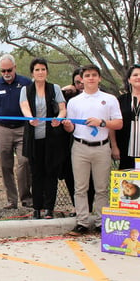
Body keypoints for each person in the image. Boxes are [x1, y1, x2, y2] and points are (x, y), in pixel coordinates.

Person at [62, 64, 122, 236]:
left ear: (99, 78)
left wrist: (102, 123)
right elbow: (71, 128)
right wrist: (67, 125)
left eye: (94, 75)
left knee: (102, 188)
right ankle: (82, 222)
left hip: (102, 147)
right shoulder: (74, 102)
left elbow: (118, 123)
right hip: (80, 146)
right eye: (87, 75)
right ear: (81, 79)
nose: (90, 78)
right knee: (80, 187)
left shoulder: (109, 99)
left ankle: (100, 222)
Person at [20, 58, 67, 219]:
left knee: (50, 173)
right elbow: (24, 107)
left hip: (51, 139)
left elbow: (62, 108)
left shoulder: (55, 88)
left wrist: (59, 119)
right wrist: (30, 118)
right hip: (34, 139)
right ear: (32, 73)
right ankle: (37, 208)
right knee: (36, 173)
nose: (40, 72)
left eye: (43, 69)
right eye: (37, 70)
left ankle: (49, 208)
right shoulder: (26, 89)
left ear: (47, 71)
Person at [0, 53, 32, 209]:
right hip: (2, 129)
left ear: (15, 68)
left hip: (23, 129)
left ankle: (26, 198)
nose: (6, 74)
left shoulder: (26, 83)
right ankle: (12, 200)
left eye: (9, 70)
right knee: (5, 165)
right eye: (3, 71)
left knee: (24, 162)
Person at [60, 68, 95, 216]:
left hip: (93, 143)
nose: (81, 84)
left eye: (83, 80)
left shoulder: (98, 98)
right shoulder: (70, 99)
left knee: (92, 178)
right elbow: (55, 103)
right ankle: (77, 207)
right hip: (71, 144)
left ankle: (90, 207)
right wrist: (63, 91)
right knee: (71, 175)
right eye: (77, 82)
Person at [111, 64, 140, 170]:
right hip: (125, 150)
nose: (138, 77)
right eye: (135, 75)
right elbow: (112, 125)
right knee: (128, 185)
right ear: (129, 80)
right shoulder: (121, 100)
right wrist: (114, 147)